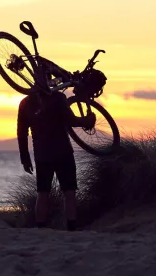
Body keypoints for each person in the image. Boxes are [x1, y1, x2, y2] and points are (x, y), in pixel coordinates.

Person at [17, 89, 96, 231]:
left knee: (42, 192)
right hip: (63, 151)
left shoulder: (25, 102)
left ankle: (40, 229)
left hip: (42, 154)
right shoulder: (58, 97)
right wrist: (88, 120)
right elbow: (71, 120)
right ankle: (71, 228)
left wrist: (25, 158)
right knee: (69, 192)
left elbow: (21, 133)